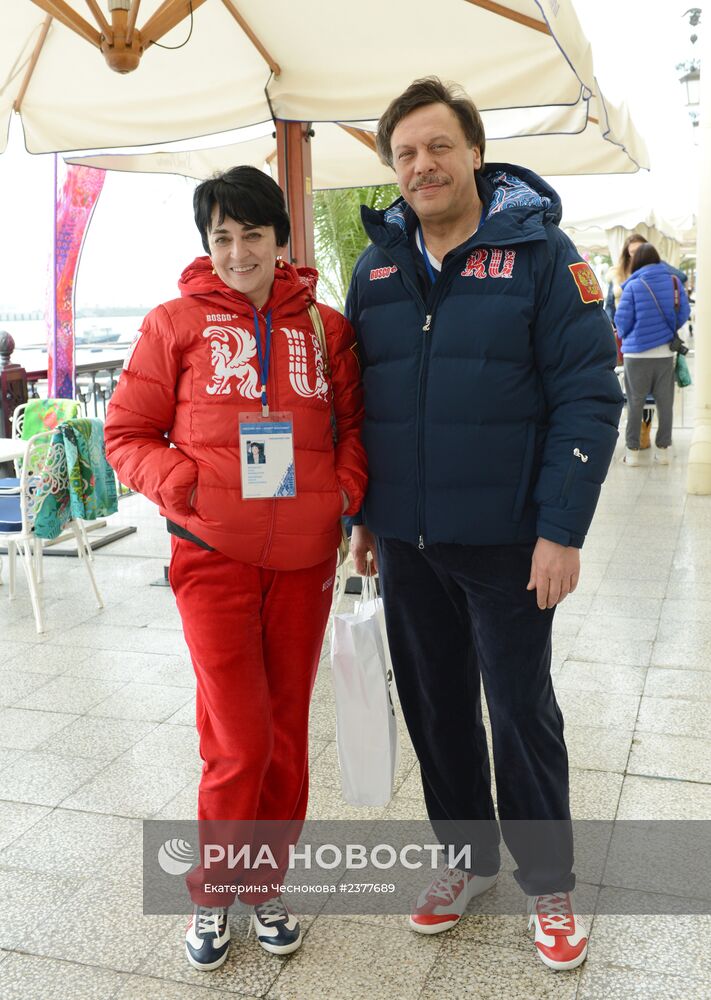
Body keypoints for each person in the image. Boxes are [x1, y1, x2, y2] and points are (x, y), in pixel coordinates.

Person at [346, 77, 622, 972]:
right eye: (404, 154)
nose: (421, 165)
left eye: (436, 146)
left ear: (473, 150)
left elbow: (588, 393)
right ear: (392, 169)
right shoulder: (378, 264)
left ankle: (548, 883)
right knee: (436, 710)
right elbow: (362, 404)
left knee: (517, 710)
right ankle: (462, 863)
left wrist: (561, 530)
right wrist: (362, 514)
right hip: (406, 539)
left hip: (508, 541)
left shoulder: (541, 253)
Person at [104, 166, 367, 971]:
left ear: (280, 239)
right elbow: (125, 435)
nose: (237, 250)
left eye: (252, 233)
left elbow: (354, 429)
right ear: (206, 244)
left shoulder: (324, 328)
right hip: (212, 558)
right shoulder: (172, 324)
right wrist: (189, 490)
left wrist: (341, 497)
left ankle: (264, 884)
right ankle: (214, 894)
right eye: (221, 236)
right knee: (239, 740)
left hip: (302, 565)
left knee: (287, 737)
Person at [615, 242, 690, 466]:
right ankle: (664, 451)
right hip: (665, 352)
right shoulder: (673, 281)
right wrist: (667, 330)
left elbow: (621, 321)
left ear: (636, 261)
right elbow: (684, 312)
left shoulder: (633, 285)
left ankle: (634, 453)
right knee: (665, 403)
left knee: (636, 403)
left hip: (636, 355)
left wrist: (631, 336)